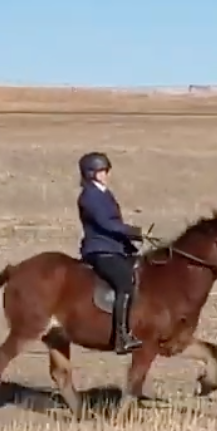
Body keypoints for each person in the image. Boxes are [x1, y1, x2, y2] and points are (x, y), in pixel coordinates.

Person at [77, 151, 145, 354]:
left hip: (115, 248)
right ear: (91, 173)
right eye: (102, 171)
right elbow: (106, 223)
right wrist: (132, 232)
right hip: (100, 250)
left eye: (106, 170)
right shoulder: (89, 196)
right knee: (124, 283)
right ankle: (121, 337)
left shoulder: (104, 193)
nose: (106, 174)